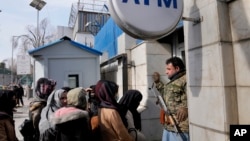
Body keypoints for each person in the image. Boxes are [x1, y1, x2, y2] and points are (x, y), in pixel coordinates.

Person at [161, 57, 189, 141]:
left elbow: (195, 99)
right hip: (169, 125)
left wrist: (187, 108)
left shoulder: (186, 79)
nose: (166, 72)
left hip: (180, 128)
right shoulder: (173, 81)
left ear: (177, 68)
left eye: (169, 69)